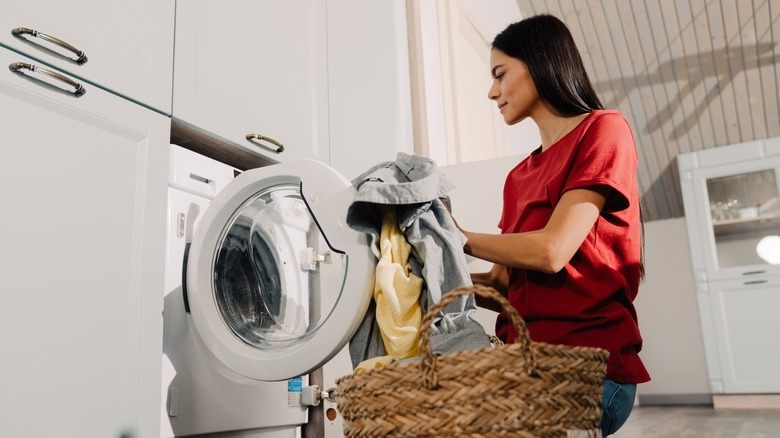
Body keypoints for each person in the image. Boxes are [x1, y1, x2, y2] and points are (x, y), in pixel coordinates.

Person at [455, 14, 651, 437]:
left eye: (500, 74)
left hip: (587, 372)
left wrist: (460, 239)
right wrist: (435, 278)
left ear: (539, 62)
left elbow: (552, 251)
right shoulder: (518, 176)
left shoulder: (604, 130)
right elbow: (505, 286)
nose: (492, 92)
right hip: (525, 367)